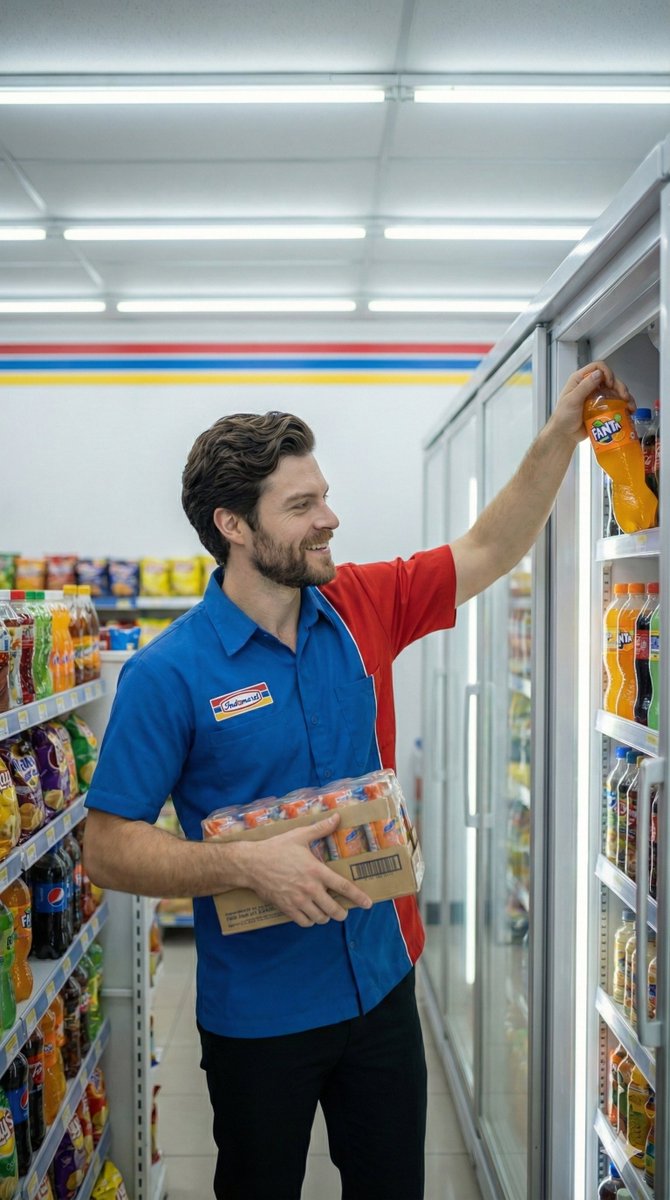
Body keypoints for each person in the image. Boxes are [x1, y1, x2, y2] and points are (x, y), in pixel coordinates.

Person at [83, 360, 632, 1200]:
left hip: (382, 982)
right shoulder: (169, 674)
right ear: (233, 524)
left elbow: (489, 547)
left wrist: (560, 433)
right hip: (260, 1013)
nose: (329, 519)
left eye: (325, 496)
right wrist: (244, 864)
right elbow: (107, 847)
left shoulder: (362, 605)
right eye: (301, 505)